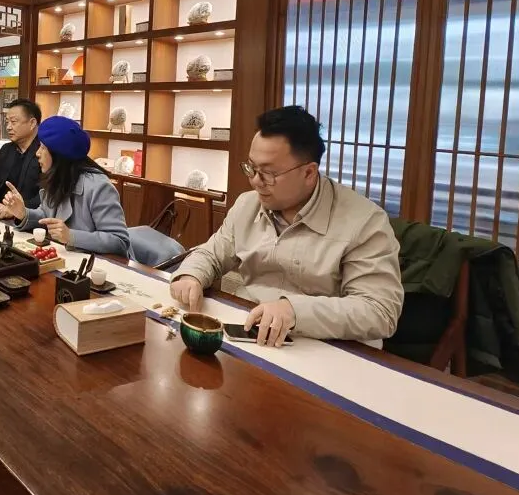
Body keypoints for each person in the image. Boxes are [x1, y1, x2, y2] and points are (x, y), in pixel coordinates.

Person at [169, 106, 404, 347]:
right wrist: (191, 275)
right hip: (250, 332)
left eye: (268, 173)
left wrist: (294, 311)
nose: (255, 181)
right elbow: (212, 254)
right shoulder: (248, 204)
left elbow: (380, 311)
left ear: (309, 173)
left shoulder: (364, 221)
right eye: (251, 168)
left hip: (327, 347)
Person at [0, 116, 130, 257]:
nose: (37, 153)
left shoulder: (98, 187)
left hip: (94, 264)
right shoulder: (56, 177)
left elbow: (119, 241)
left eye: (43, 148)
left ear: (59, 155)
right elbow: (46, 215)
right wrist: (23, 213)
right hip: (65, 257)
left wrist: (71, 236)